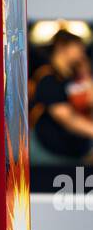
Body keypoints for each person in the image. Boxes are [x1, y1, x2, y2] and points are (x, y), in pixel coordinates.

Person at [30, 28, 93, 161]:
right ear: (62, 47)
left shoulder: (72, 77)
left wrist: (85, 74)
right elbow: (67, 119)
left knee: (80, 171)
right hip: (51, 157)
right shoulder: (48, 78)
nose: (82, 52)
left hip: (74, 154)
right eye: (77, 47)